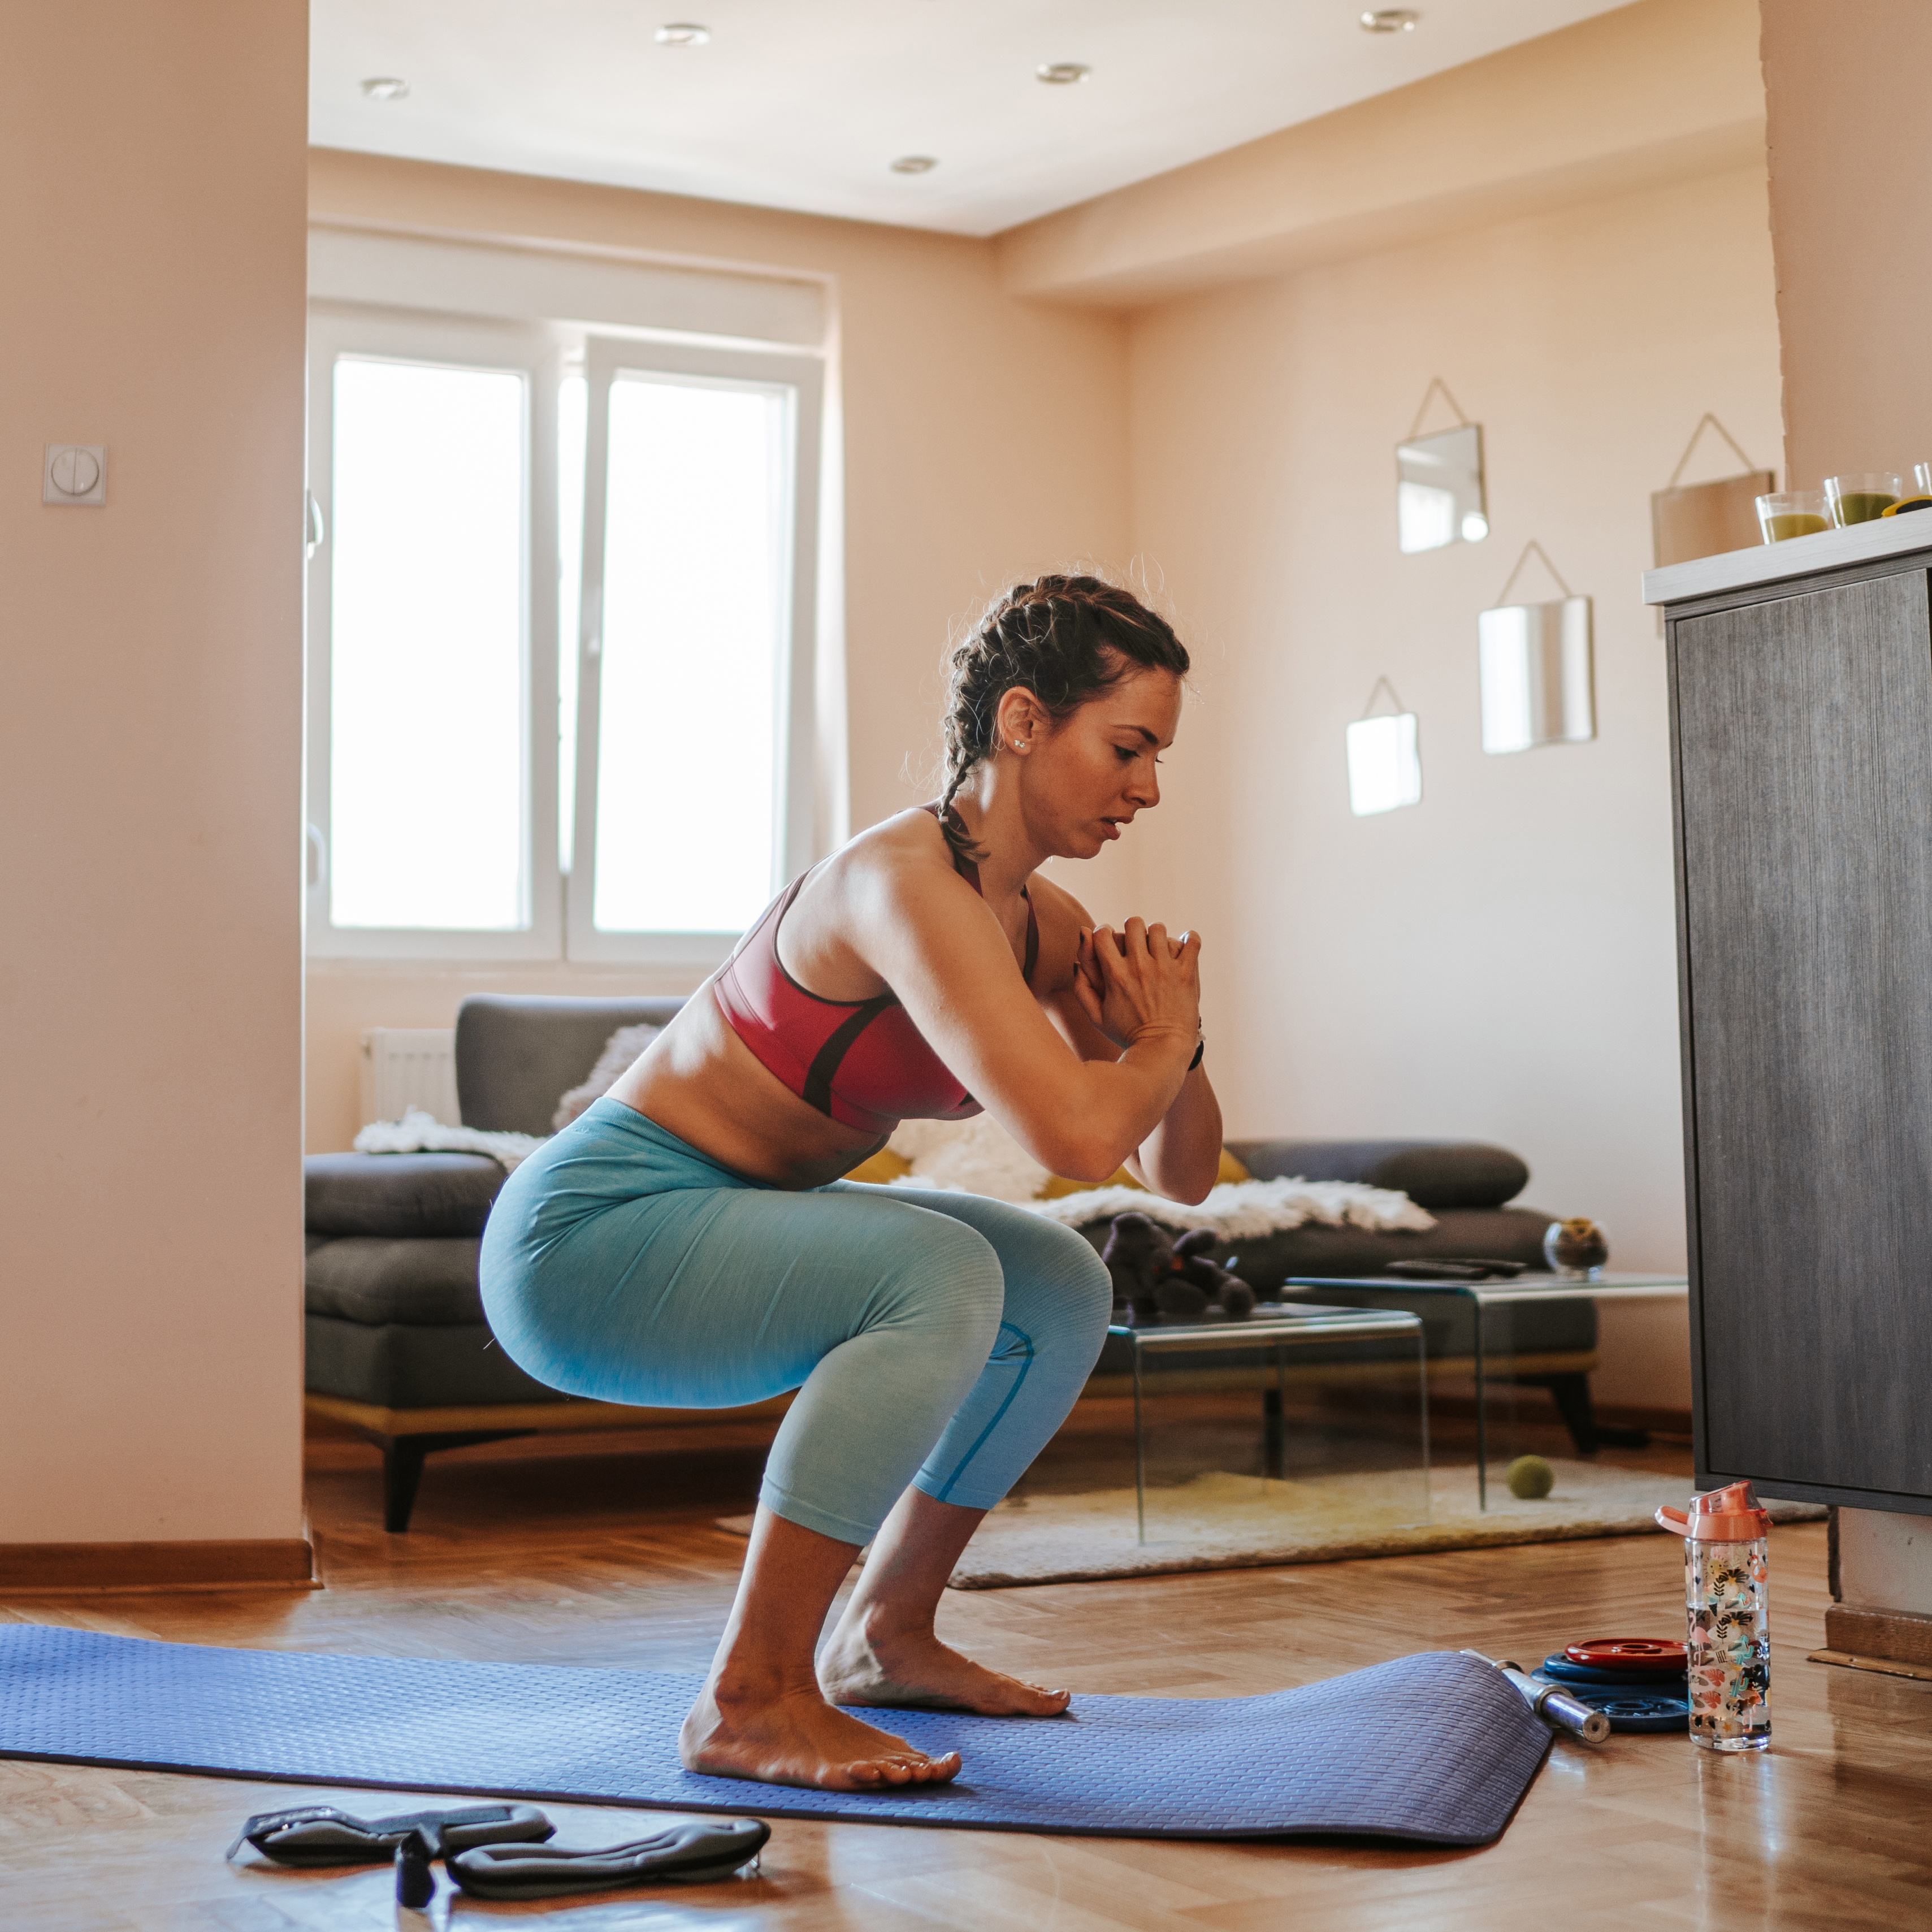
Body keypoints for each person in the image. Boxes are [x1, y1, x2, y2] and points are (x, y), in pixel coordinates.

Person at [480, 573, 1221, 1793]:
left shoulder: (1037, 923)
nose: (1145, 786)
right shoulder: (904, 884)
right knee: (939, 1269)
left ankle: (886, 1630)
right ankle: (750, 1694)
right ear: (1024, 720)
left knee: (1056, 1277)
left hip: (735, 1215)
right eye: (1127, 747)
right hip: (584, 1239)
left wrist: (1174, 1036)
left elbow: (1175, 1173)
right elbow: (1079, 1137)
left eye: (1155, 757)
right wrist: (1146, 1048)